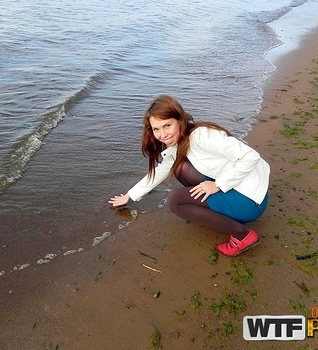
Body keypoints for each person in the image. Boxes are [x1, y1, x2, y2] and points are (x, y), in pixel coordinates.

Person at [108, 95, 270, 257]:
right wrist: (129, 195)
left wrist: (217, 185)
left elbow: (251, 156)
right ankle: (213, 211)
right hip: (245, 191)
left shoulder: (201, 135)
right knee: (180, 168)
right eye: (156, 129)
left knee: (175, 201)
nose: (162, 134)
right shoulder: (180, 141)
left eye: (167, 125)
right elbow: (161, 171)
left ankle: (243, 235)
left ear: (180, 120)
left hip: (250, 202)